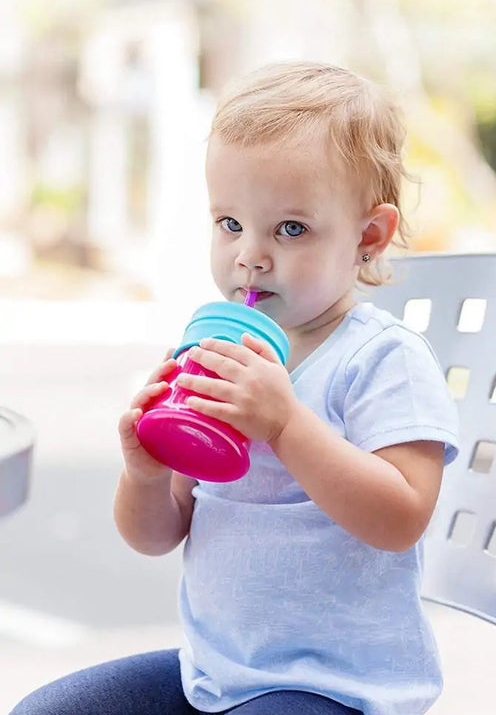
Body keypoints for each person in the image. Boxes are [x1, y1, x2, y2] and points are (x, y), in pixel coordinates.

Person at [11, 62, 459, 715]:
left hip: (333, 691)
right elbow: (156, 535)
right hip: (215, 676)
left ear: (367, 237)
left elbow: (400, 519)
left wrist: (286, 425)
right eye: (229, 223)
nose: (249, 255)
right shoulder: (217, 358)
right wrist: (143, 473)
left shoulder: (381, 359)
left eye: (290, 228)